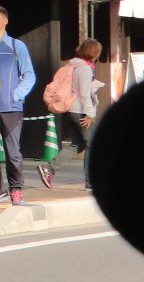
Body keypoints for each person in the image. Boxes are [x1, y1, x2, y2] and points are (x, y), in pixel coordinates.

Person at [0, 5, 38, 210]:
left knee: (13, 152)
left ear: (5, 21)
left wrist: (15, 95)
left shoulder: (16, 45)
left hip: (11, 109)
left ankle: (16, 189)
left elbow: (29, 75)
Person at [40, 39, 104, 190]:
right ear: (94, 53)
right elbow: (84, 94)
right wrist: (90, 114)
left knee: (77, 144)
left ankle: (49, 169)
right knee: (91, 145)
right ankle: (90, 181)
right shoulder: (85, 69)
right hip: (81, 111)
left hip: (70, 109)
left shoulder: (72, 64)